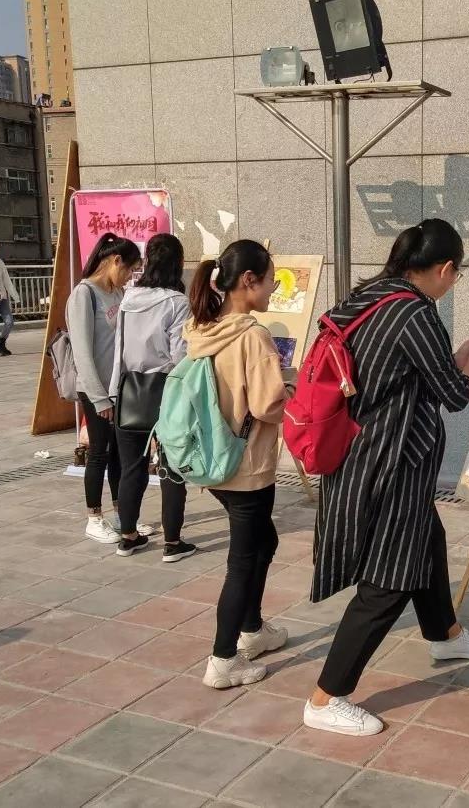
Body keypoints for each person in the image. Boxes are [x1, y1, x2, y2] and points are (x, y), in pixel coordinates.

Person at [304, 218, 469, 737]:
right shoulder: (414, 312)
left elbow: (406, 376)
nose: (452, 283)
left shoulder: (371, 296)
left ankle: (445, 635)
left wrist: (459, 359)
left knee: (427, 539)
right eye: (456, 275)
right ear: (445, 268)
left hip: (362, 454)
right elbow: (453, 394)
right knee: (388, 581)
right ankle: (327, 697)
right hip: (389, 464)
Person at [184, 240, 291, 690]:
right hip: (248, 466)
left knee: (264, 541)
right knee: (243, 561)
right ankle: (223, 659)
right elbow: (267, 405)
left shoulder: (201, 327)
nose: (271, 291)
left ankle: (253, 628)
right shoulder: (252, 336)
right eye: (270, 281)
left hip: (213, 459)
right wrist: (290, 389)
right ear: (249, 281)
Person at [110, 233, 199, 563]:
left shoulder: (128, 298)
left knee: (131, 467)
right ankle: (172, 543)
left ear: (147, 260)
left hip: (129, 389)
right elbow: (179, 355)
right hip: (166, 390)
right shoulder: (177, 302)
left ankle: (128, 537)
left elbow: (118, 350)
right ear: (178, 262)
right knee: (171, 467)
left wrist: (114, 392)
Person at [66, 233, 142, 547]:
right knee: (99, 452)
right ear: (115, 261)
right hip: (95, 390)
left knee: (118, 456)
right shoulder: (84, 294)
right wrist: (99, 399)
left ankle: (122, 515)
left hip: (118, 388)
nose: (130, 276)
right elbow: (82, 353)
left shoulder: (118, 293)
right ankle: (94, 518)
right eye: (129, 269)